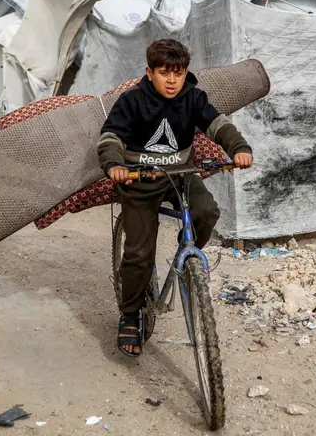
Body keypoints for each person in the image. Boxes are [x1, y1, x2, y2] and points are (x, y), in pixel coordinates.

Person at [97, 39, 253, 356]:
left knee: (207, 212)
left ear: (185, 73)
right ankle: (130, 313)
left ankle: (188, 254)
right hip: (139, 180)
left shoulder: (193, 97)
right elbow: (111, 136)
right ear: (149, 73)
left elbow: (217, 124)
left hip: (180, 175)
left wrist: (238, 147)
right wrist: (114, 165)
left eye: (178, 73)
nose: (171, 80)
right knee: (139, 253)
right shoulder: (132, 101)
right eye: (164, 73)